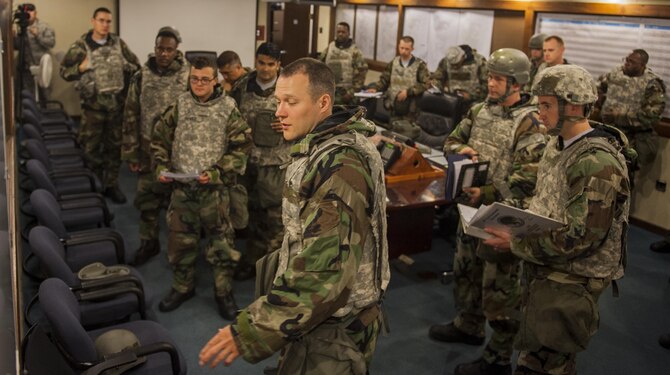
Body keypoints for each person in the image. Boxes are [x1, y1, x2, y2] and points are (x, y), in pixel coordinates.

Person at [199, 58, 390, 373]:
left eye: (291, 101)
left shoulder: (341, 167)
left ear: (323, 103)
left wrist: (251, 331)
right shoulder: (320, 147)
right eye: (278, 101)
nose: (279, 111)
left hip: (334, 329)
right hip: (315, 320)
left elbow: (324, 272)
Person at [484, 64, 632, 375]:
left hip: (573, 280)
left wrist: (517, 242)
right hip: (549, 270)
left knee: (549, 364)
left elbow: (582, 237)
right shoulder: (559, 142)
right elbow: (548, 201)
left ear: (574, 107)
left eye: (547, 105)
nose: (540, 113)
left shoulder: (596, 162)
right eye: (539, 104)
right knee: (535, 355)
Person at [430, 48, 546, 375]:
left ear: (517, 83)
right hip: (471, 209)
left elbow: (527, 179)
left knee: (501, 290)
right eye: (491, 77)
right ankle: (468, 325)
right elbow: (450, 141)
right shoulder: (480, 109)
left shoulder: (532, 122)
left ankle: (497, 357)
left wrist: (488, 192)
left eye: (498, 79)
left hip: (505, 216)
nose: (491, 83)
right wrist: (461, 150)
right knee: (467, 271)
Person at [150, 56, 251, 320]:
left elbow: (242, 148)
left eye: (205, 79)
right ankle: (183, 287)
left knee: (221, 245)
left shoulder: (228, 107)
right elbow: (159, 137)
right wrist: (160, 165)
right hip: (182, 189)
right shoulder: (180, 104)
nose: (198, 84)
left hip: (214, 193)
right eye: (194, 78)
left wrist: (218, 172)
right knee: (181, 241)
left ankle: (223, 292)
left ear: (215, 80)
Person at [121, 26, 189, 266]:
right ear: (155, 47)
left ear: (176, 50)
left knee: (180, 201)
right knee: (147, 197)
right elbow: (131, 113)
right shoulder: (142, 75)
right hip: (149, 147)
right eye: (161, 48)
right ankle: (148, 242)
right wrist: (131, 152)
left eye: (169, 49)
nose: (164, 53)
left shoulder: (188, 75)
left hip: (178, 148)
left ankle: (179, 249)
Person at [60, 7, 140, 204]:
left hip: (116, 108)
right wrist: (81, 67)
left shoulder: (118, 44)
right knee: (91, 150)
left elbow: (136, 66)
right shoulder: (80, 46)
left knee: (114, 149)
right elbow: (64, 72)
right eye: (101, 20)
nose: (105, 25)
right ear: (93, 21)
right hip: (93, 110)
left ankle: (111, 185)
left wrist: (125, 67)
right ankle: (93, 186)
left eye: (108, 21)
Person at [229, 42, 287, 281]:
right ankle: (252, 261)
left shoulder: (290, 87)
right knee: (251, 216)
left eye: (271, 64)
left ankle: (275, 271)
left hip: (276, 165)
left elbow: (309, 119)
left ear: (278, 65)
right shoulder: (242, 86)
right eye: (261, 63)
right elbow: (229, 116)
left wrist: (288, 124)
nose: (265, 69)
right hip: (247, 163)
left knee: (276, 220)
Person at [596, 49, 666, 176]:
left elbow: (652, 116)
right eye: (626, 60)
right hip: (607, 134)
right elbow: (598, 87)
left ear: (642, 65)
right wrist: (600, 98)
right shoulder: (615, 73)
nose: (627, 63)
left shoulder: (652, 84)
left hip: (631, 140)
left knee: (623, 178)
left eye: (632, 62)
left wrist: (619, 116)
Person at [367, 36, 430, 139]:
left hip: (411, 110)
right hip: (394, 107)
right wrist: (376, 88)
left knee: (406, 136)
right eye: (401, 48)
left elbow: (426, 84)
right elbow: (384, 79)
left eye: (407, 49)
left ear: (412, 49)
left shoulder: (420, 65)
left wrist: (408, 92)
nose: (403, 51)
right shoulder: (394, 62)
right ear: (398, 47)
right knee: (393, 135)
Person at [319, 21, 368, 105]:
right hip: (330, 90)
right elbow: (319, 67)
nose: (340, 34)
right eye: (338, 32)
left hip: (347, 94)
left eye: (343, 32)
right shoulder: (330, 48)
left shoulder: (355, 51)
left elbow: (361, 74)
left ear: (348, 33)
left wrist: (351, 93)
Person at [14, 3, 55, 100]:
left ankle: (47, 114)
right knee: (29, 98)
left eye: (31, 11)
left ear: (35, 13)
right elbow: (17, 47)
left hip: (42, 68)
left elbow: (51, 43)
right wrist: (13, 38)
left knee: (46, 97)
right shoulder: (20, 28)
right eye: (26, 11)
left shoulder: (44, 27)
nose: (28, 13)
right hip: (27, 69)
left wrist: (38, 35)